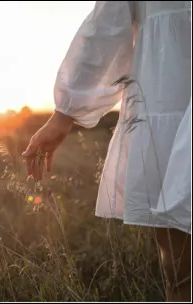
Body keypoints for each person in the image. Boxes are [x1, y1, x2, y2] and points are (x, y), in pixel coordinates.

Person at [22, 1, 191, 302]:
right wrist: (65, 113)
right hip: (171, 99)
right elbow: (108, 23)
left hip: (168, 99)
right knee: (181, 271)